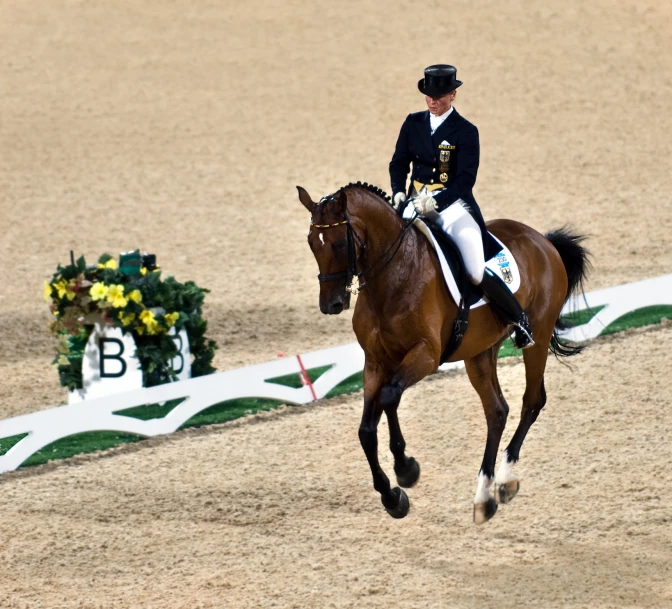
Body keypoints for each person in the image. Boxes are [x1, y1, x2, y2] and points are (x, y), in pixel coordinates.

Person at [389, 64, 534, 349]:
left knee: (475, 270)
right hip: (414, 201)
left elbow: (465, 180)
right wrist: (397, 192)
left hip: (453, 207)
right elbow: (398, 162)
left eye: (440, 96)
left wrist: (436, 201)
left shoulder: (466, 131)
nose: (433, 101)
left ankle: (519, 319)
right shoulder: (413, 123)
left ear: (453, 95)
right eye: (429, 95)